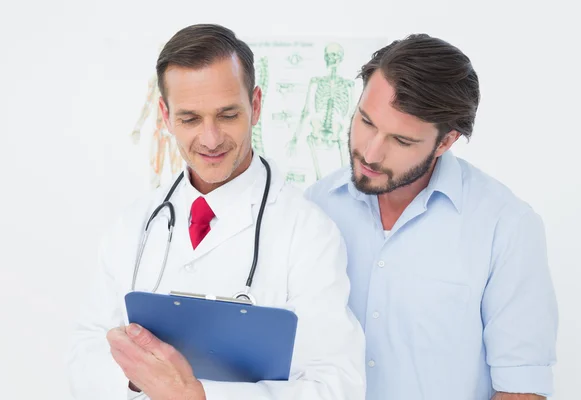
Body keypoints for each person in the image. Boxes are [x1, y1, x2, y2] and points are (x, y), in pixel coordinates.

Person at [67, 23, 366, 400]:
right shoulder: (134, 224)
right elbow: (84, 354)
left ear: (255, 106)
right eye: (190, 118)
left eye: (227, 115)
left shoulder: (307, 231)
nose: (210, 139)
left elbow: (337, 385)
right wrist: (141, 377)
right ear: (165, 114)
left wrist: (195, 395)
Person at [305, 34, 558, 400]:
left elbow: (521, 387)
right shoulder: (316, 206)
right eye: (366, 121)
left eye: (401, 141)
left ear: (445, 142)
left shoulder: (506, 227)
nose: (371, 153)